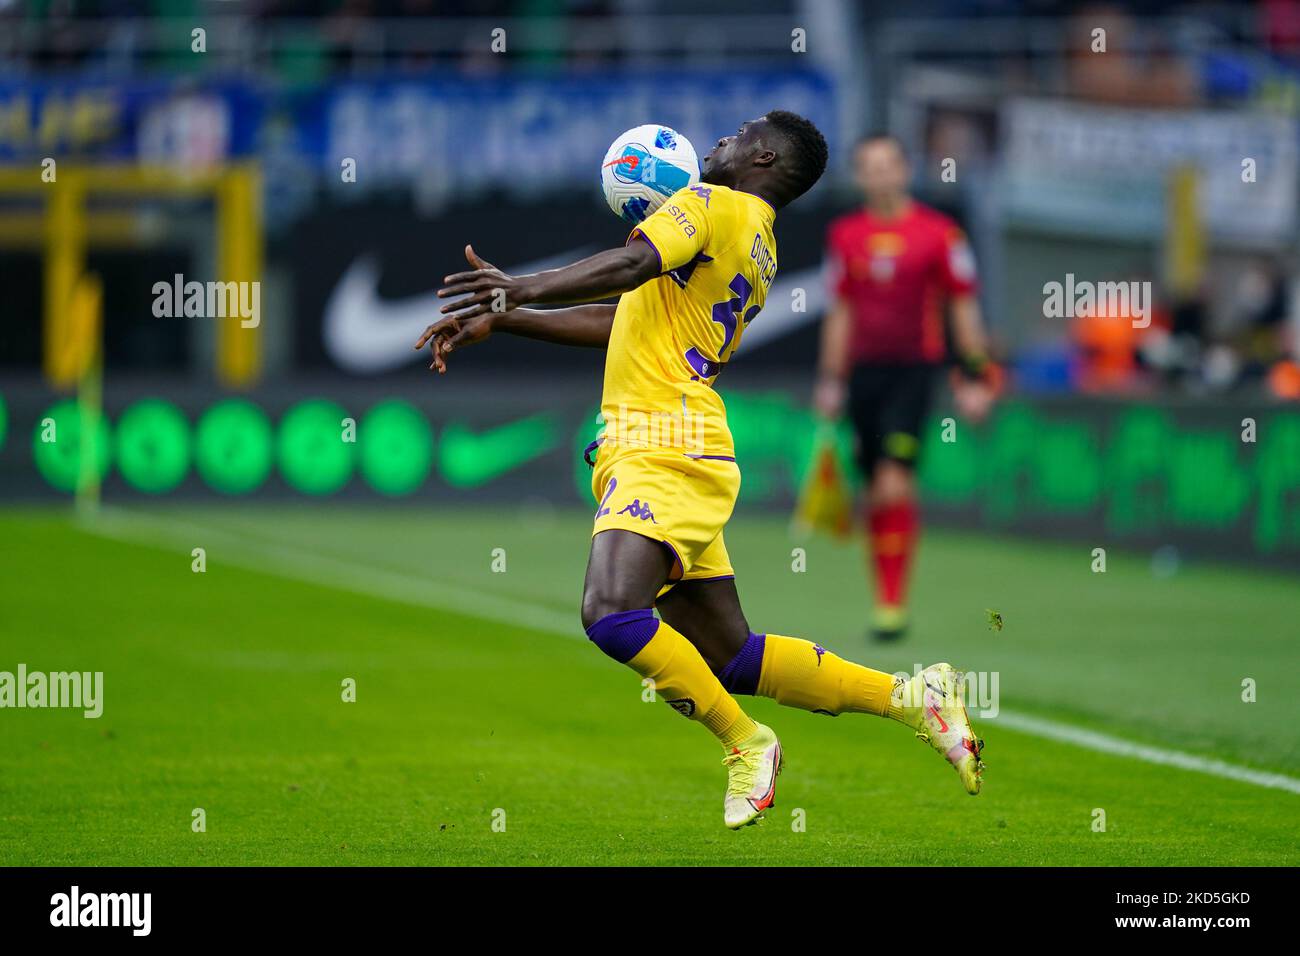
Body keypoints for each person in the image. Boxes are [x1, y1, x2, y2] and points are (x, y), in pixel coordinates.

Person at [416, 113, 984, 830]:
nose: (718, 141)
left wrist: (520, 288)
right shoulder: (757, 240)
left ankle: (747, 743)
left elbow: (627, 267)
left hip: (662, 445)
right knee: (731, 655)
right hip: (682, 444)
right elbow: (625, 314)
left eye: (739, 134)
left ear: (765, 155)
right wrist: (507, 317)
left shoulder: (707, 203)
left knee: (610, 611)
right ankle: (912, 698)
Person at [816, 133, 996, 641]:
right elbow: (841, 311)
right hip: (863, 376)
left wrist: (975, 373)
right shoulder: (845, 235)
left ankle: (892, 606)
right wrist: (831, 380)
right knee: (875, 491)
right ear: (859, 176)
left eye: (887, 165)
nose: (879, 175)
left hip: (914, 372)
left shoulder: (940, 234)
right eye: (868, 167)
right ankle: (883, 596)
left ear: (905, 170)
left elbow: (962, 305)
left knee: (896, 480)